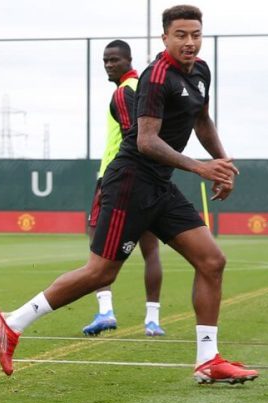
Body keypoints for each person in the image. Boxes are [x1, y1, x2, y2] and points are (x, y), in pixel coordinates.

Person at [0, 5, 258, 385]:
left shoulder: (200, 71)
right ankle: (12, 322)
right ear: (165, 38)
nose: (190, 42)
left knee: (212, 261)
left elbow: (201, 120)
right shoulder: (156, 76)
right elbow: (146, 141)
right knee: (100, 272)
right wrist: (201, 168)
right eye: (181, 35)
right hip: (130, 182)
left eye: (196, 35)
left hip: (160, 185)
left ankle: (207, 360)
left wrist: (223, 163)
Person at [82, 40, 165, 337]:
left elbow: (134, 137)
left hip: (116, 179)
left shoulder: (124, 91)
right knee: (150, 250)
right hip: (147, 180)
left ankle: (106, 311)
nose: (108, 65)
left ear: (129, 60)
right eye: (105, 60)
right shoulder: (142, 89)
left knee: (98, 246)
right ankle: (152, 320)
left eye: (114, 59)